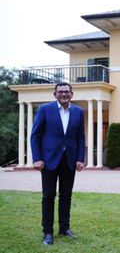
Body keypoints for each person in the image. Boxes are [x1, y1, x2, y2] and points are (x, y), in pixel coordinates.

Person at [31, 82, 86, 245]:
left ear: (72, 94)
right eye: (60, 92)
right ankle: (47, 232)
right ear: (54, 94)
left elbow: (81, 137)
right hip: (48, 160)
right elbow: (35, 135)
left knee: (66, 195)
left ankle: (65, 228)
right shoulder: (44, 110)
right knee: (48, 196)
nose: (64, 94)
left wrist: (80, 158)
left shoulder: (78, 111)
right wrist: (37, 158)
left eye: (67, 92)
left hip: (69, 160)